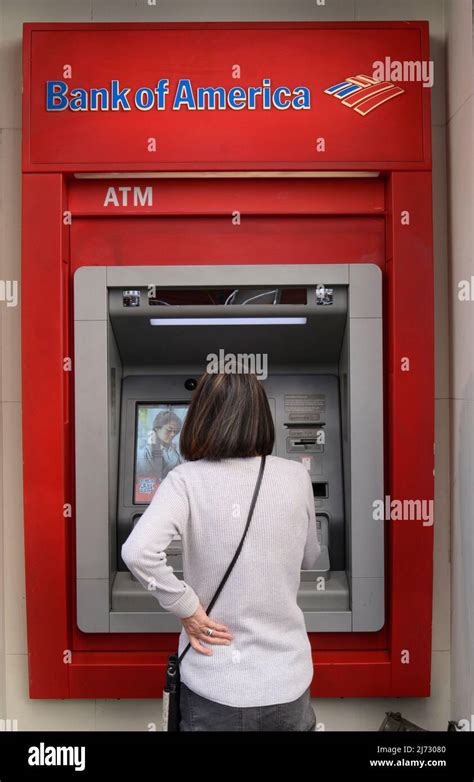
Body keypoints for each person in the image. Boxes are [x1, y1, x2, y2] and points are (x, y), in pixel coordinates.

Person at [121, 370, 321, 731]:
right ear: (261, 416)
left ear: (201, 417)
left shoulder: (185, 480)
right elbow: (311, 558)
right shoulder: (296, 476)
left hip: (214, 685)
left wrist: (187, 608)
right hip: (287, 684)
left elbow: (138, 552)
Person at [136, 409, 184, 481]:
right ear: (157, 428)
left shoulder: (177, 453)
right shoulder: (144, 453)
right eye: (169, 430)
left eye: (175, 431)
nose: (173, 434)